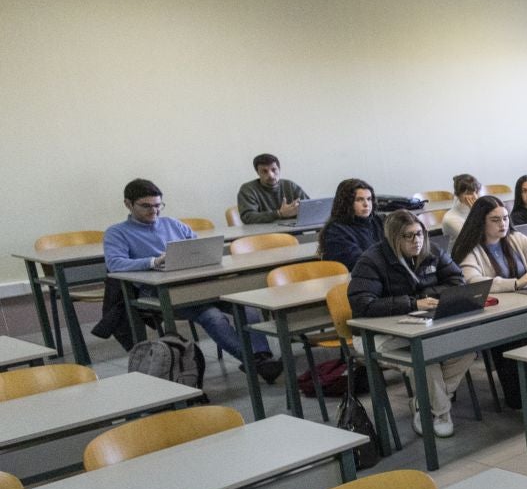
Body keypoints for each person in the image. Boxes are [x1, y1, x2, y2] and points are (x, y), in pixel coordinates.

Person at [104, 179, 281, 379]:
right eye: (146, 206)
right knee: (212, 316)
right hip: (158, 291)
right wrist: (153, 262)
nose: (154, 211)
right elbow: (115, 264)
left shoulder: (172, 224)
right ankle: (255, 362)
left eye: (158, 205)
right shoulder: (117, 233)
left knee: (247, 308)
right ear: (128, 204)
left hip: (198, 283)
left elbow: (200, 248)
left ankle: (263, 356)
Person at [347, 211, 473, 439]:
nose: (417, 241)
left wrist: (423, 297)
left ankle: (421, 403)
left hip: (420, 327)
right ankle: (440, 412)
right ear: (394, 238)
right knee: (425, 359)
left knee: (466, 348)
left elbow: (457, 282)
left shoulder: (431, 251)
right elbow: (362, 305)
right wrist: (413, 302)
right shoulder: (371, 260)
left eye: (419, 234)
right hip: (375, 335)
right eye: (408, 236)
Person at [451, 196, 527, 410]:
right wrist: (515, 283)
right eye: (495, 220)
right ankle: (518, 398)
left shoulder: (515, 239)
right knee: (513, 336)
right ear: (481, 222)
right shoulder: (470, 248)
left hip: (524, 305)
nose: (503, 224)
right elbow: (473, 281)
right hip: (493, 315)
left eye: (505, 218)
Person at [318, 178, 380, 269]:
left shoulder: (377, 221)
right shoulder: (336, 230)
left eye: (369, 199)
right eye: (359, 200)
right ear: (347, 203)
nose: (366, 204)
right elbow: (357, 262)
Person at [235, 153, 309, 224]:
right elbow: (247, 217)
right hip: (263, 235)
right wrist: (279, 214)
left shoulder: (289, 185)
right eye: (264, 171)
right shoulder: (248, 189)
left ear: (279, 169)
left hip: (293, 233)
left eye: (274, 170)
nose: (271, 175)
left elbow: (311, 207)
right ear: (258, 173)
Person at [440, 174, 481, 240]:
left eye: (476, 192)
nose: (475, 197)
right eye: (469, 193)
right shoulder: (450, 218)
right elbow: (472, 238)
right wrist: (476, 213)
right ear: (458, 195)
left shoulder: (479, 209)